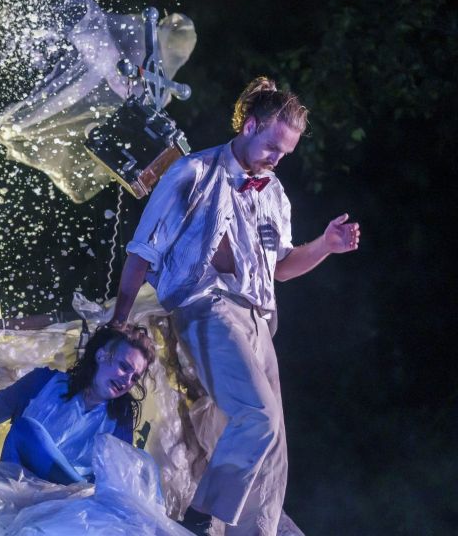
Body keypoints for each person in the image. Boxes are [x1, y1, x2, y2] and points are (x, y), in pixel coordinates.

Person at [109, 77, 361, 536]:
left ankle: (254, 532)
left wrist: (325, 246)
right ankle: (202, 517)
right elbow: (141, 254)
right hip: (208, 307)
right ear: (249, 126)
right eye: (272, 147)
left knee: (273, 448)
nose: (277, 159)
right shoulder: (192, 173)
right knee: (257, 416)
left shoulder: (274, 193)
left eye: (285, 153)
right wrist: (117, 324)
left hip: (260, 319)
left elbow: (282, 268)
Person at [0, 324, 157, 484]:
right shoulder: (43, 382)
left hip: (66, 507)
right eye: (124, 367)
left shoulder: (120, 419)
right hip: (18, 485)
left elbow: (116, 475)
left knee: (145, 467)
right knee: (25, 430)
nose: (127, 381)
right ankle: (80, 489)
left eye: (135, 378)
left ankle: (80, 491)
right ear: (101, 356)